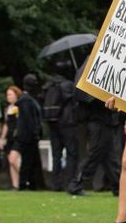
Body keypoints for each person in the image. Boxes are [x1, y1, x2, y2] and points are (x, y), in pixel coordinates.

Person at [67, 90, 120, 197]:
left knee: (109, 157)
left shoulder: (91, 88)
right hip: (100, 121)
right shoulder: (94, 90)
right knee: (95, 154)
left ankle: (119, 186)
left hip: (102, 122)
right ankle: (76, 184)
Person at [42, 61, 78, 191]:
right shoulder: (68, 85)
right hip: (67, 122)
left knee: (56, 154)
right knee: (71, 153)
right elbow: (75, 101)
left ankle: (56, 184)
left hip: (52, 122)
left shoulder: (49, 85)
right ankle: (70, 182)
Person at [15, 74, 44, 190]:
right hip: (28, 137)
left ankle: (32, 184)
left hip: (28, 136)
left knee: (32, 161)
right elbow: (30, 120)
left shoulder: (27, 100)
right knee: (27, 161)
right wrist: (35, 133)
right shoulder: (26, 101)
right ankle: (23, 184)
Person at [0, 85, 22, 190]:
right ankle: (15, 185)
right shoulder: (7, 109)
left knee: (13, 160)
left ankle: (24, 178)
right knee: (10, 162)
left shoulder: (18, 107)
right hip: (9, 137)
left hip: (17, 136)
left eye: (10, 94)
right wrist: (2, 138)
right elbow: (6, 125)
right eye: (7, 95)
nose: (8, 97)